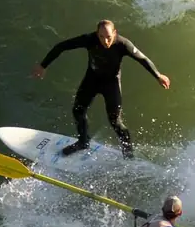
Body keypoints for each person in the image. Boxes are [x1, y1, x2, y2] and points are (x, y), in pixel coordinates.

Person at [32, 19, 171, 159]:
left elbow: (142, 59)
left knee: (115, 121)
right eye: (101, 37)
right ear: (96, 33)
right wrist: (43, 65)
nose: (105, 41)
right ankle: (83, 142)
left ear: (115, 33)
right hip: (91, 80)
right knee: (78, 110)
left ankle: (128, 155)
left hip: (111, 83)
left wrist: (158, 75)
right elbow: (61, 46)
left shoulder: (123, 44)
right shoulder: (89, 39)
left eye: (108, 37)